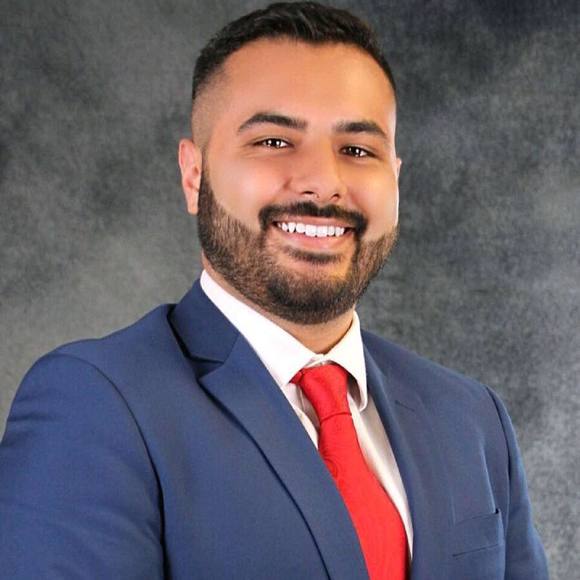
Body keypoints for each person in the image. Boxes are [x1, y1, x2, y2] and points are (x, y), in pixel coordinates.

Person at [0, 2, 548, 578]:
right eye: (274, 141)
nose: (323, 182)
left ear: (395, 177)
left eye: (358, 150)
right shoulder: (95, 404)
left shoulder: (471, 417)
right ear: (194, 175)